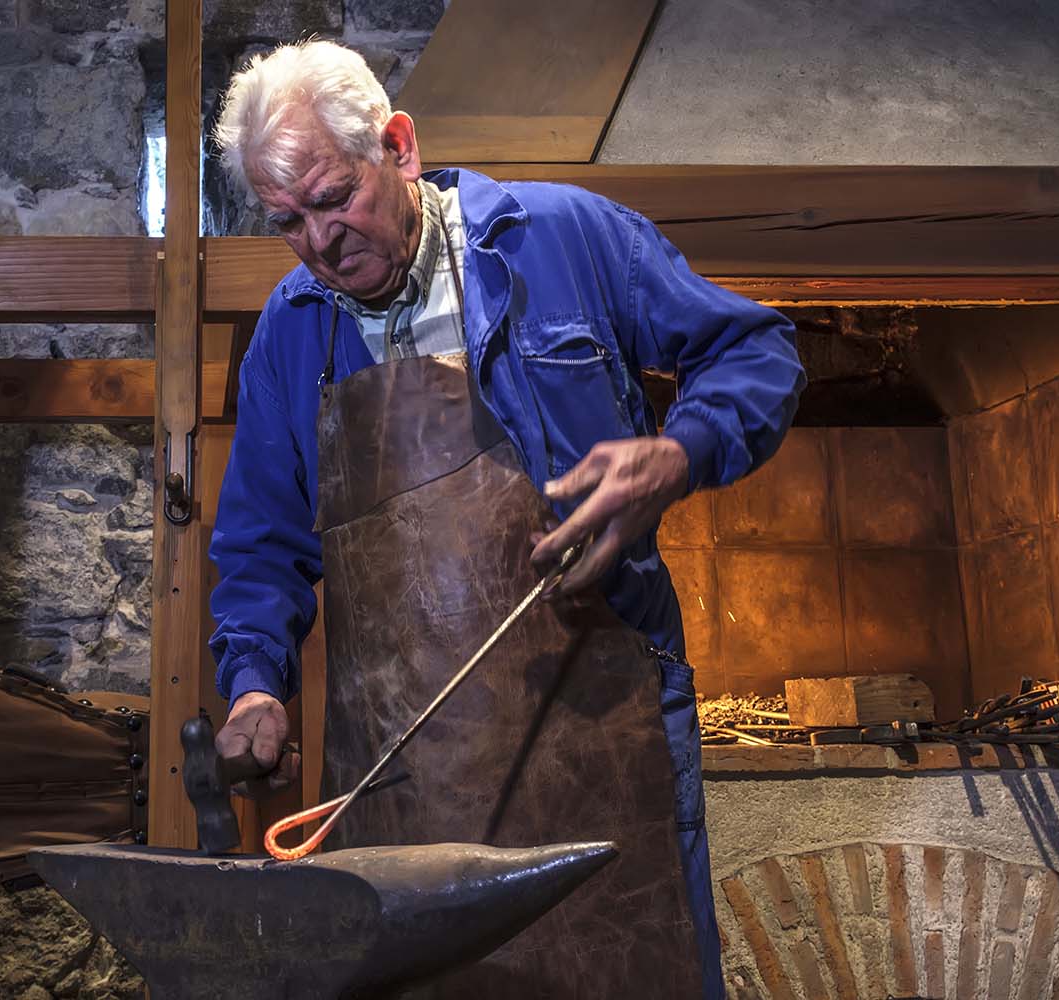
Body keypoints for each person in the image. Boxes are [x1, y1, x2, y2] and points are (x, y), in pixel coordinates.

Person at [205, 39, 805, 996]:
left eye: (334, 199)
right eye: (288, 221)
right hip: (400, 758)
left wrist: (679, 452)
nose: (320, 241)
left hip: (603, 718)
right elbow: (260, 546)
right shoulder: (291, 328)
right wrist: (252, 687)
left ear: (399, 148)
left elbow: (756, 353)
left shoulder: (560, 238)